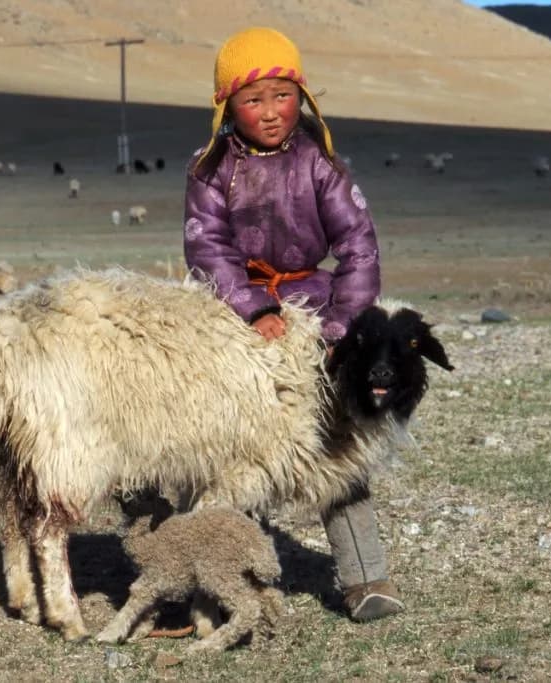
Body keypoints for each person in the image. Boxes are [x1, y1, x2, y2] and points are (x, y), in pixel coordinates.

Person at [183, 26, 401, 622]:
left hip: (318, 309)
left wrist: (339, 328)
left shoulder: (321, 164)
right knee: (231, 449)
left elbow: (360, 247)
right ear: (227, 106)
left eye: (283, 96)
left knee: (337, 443)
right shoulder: (210, 170)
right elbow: (207, 248)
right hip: (234, 315)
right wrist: (254, 308)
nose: (272, 112)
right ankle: (235, 580)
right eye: (253, 101)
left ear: (302, 97)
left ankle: (366, 579)